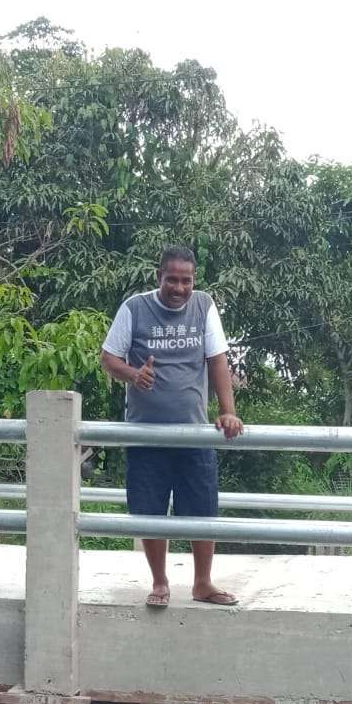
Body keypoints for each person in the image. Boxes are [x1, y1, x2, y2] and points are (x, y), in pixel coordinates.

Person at [100, 246, 244, 608]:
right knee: (150, 511)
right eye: (172, 279)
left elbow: (217, 361)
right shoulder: (134, 308)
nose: (179, 288)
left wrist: (228, 412)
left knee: (203, 509)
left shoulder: (204, 305)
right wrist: (134, 374)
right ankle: (160, 582)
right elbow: (108, 358)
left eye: (186, 280)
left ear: (194, 280)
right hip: (145, 434)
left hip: (194, 431)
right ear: (158, 277)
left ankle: (202, 583)